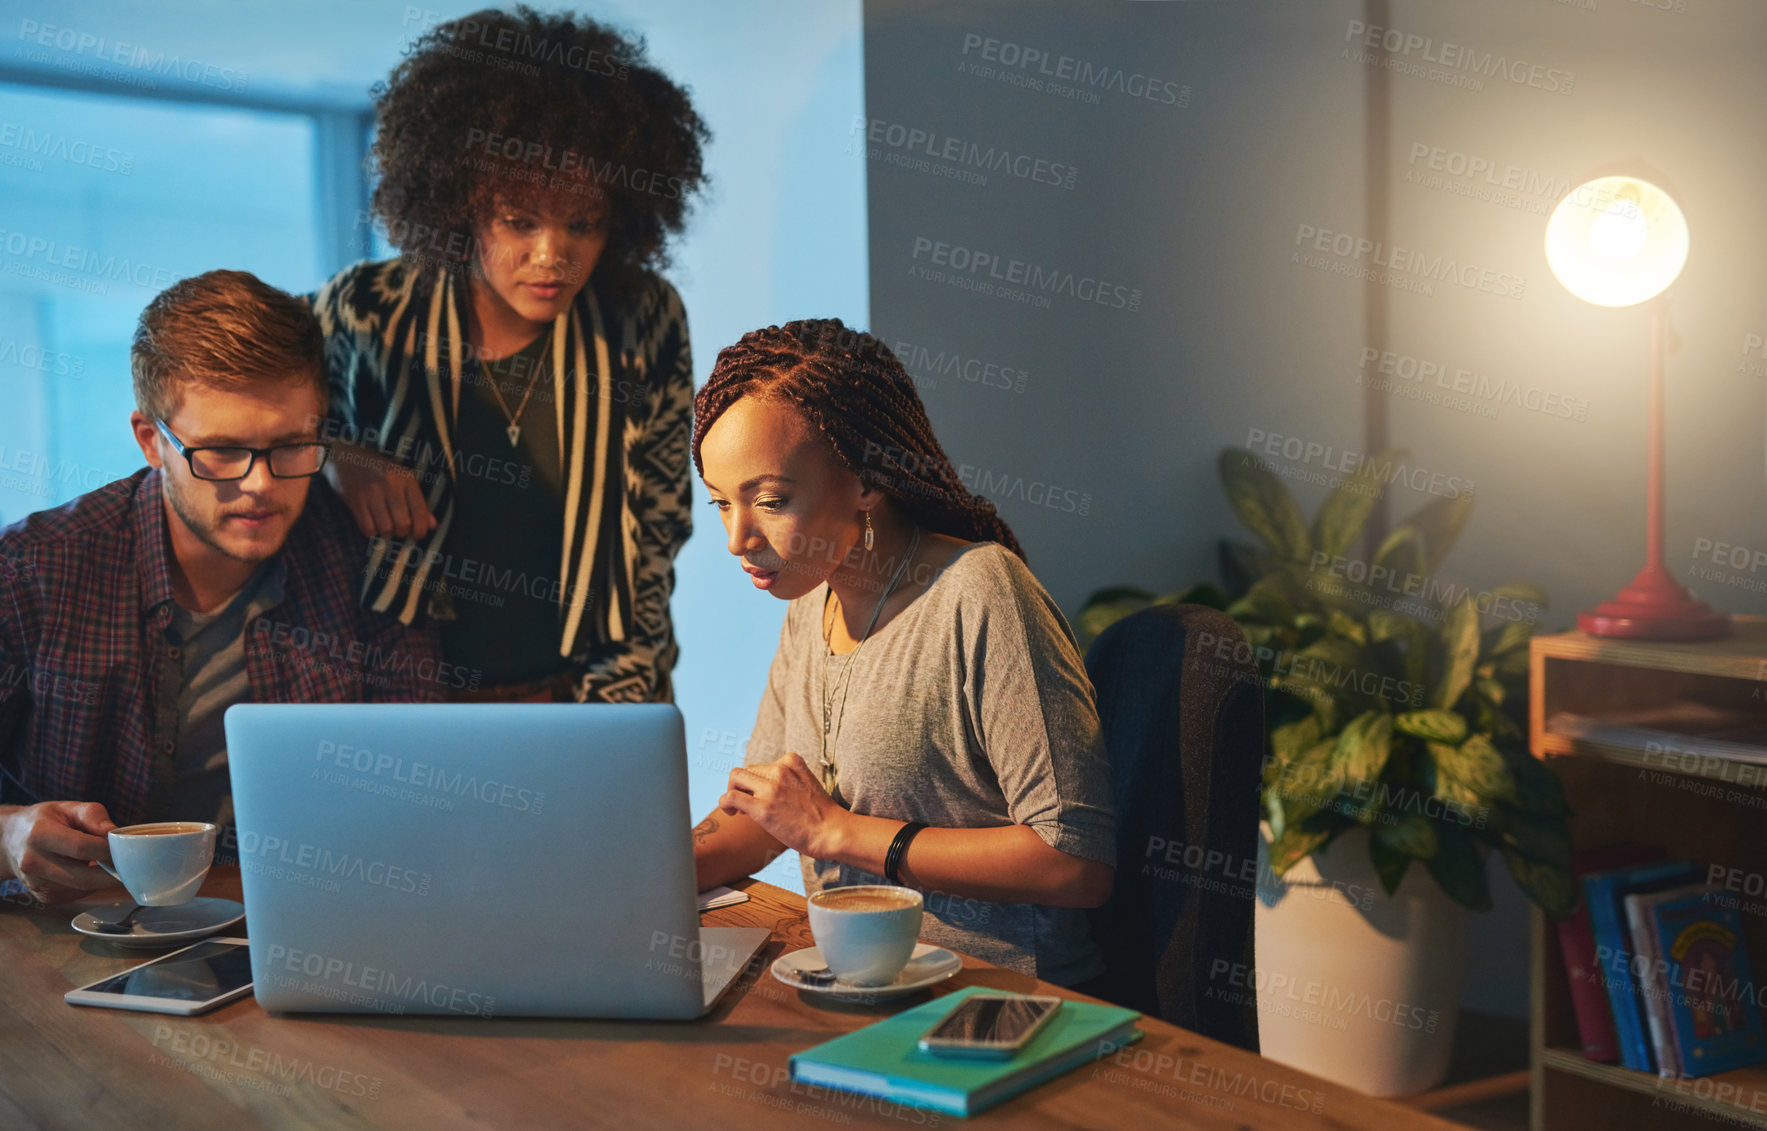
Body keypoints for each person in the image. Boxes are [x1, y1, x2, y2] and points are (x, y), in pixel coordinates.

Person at [688, 319, 1117, 986]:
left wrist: (837, 831)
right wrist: (633, 875)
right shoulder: (813, 600)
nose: (737, 538)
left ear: (866, 478)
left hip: (998, 999)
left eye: (770, 500)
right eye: (720, 503)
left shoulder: (980, 592)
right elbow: (767, 822)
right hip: (857, 983)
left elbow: (1074, 863)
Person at [0, 270, 445, 905]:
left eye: (291, 445)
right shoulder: (36, 570)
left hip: (308, 918)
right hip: (72, 936)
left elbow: (426, 778)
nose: (260, 484)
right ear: (152, 441)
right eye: (220, 452)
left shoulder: (363, 553)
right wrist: (10, 834)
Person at [312, 7, 707, 704]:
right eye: (519, 221)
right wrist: (334, 457)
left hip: (587, 694)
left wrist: (617, 717)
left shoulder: (643, 319)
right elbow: (263, 449)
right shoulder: (365, 311)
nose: (551, 256)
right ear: (461, 202)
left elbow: (657, 531)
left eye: (582, 223)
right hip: (399, 699)